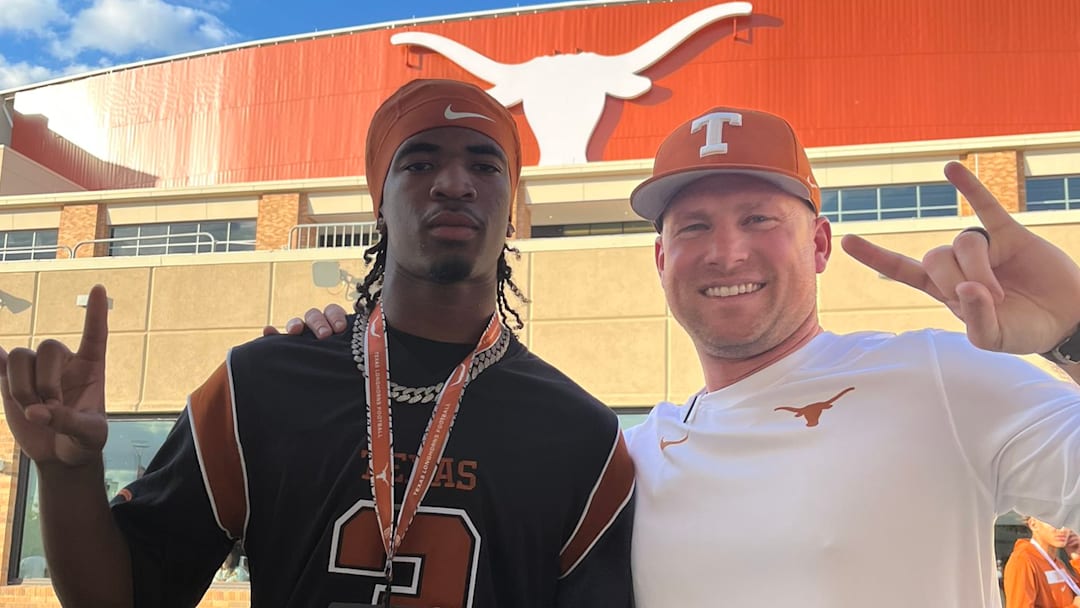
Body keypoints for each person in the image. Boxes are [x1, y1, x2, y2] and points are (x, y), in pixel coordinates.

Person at [293, 104, 1080, 607]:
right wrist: (338, 356)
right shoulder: (627, 457)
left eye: (759, 218)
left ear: (819, 243)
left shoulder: (939, 377)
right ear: (662, 261)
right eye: (694, 227)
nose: (725, 251)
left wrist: (1072, 330)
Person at [0, 79, 635, 608]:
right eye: (418, 162)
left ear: (509, 201)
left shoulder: (580, 432)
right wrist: (67, 474)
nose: (454, 182)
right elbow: (125, 599)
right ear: (378, 202)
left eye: (484, 163)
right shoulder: (261, 385)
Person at [1004, 517, 1080, 607]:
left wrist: (1077, 558)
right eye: (1054, 522)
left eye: (1066, 522)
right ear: (1033, 524)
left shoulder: (1058, 563)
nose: (1062, 529)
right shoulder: (1022, 561)